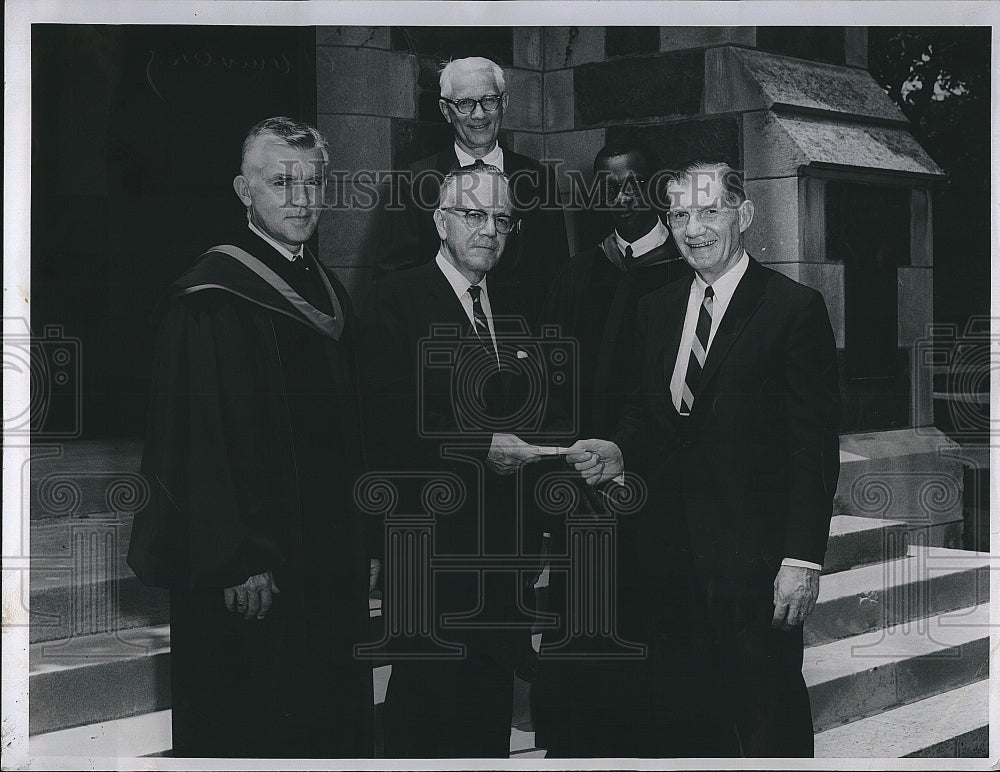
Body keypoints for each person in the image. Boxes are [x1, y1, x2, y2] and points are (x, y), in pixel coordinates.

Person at [567, 161, 841, 757]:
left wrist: (802, 559)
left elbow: (812, 446)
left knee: (769, 722)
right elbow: (648, 414)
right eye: (680, 214)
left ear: (743, 215)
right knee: (685, 724)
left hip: (756, 564)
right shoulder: (658, 308)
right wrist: (617, 449)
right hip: (667, 563)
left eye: (708, 211)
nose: (694, 229)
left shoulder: (793, 308)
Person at [127, 117, 374, 758]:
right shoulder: (209, 297)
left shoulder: (326, 290)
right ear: (244, 190)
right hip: (250, 571)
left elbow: (349, 438)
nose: (300, 199)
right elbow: (197, 444)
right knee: (254, 721)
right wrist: (234, 556)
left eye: (312, 183)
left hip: (326, 561)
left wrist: (362, 540)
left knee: (325, 715)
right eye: (280, 182)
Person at [361, 163, 549, 758]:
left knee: (487, 715)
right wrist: (477, 447)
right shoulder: (395, 299)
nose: (489, 230)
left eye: (501, 219)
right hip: (429, 549)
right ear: (440, 222)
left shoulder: (516, 304)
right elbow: (383, 422)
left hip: (504, 554)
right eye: (474, 215)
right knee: (426, 710)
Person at [532, 140, 694, 757]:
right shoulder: (578, 273)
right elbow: (549, 380)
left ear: (655, 188)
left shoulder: (685, 274)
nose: (620, 196)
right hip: (583, 486)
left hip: (659, 489)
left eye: (633, 183)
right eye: (607, 185)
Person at [375, 56, 570, 329]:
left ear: (504, 103)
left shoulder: (538, 178)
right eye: (465, 103)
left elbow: (558, 276)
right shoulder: (414, 181)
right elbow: (395, 282)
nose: (479, 115)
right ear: (445, 110)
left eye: (489, 100)